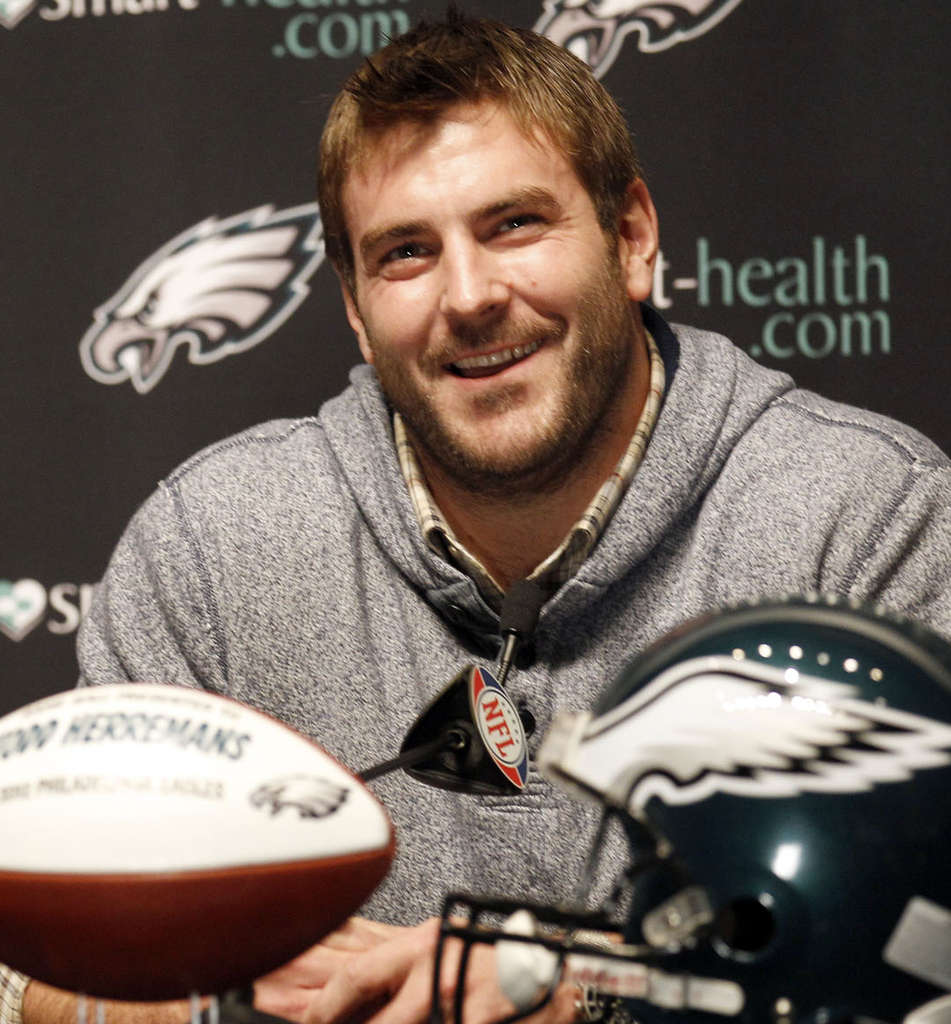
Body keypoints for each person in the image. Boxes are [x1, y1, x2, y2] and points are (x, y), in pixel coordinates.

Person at [5, 10, 951, 1024]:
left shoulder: (866, 517)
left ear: (632, 239)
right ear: (356, 309)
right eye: (406, 252)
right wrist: (234, 1004)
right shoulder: (212, 546)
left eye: (514, 225)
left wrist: (579, 988)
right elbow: (38, 968)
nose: (468, 296)